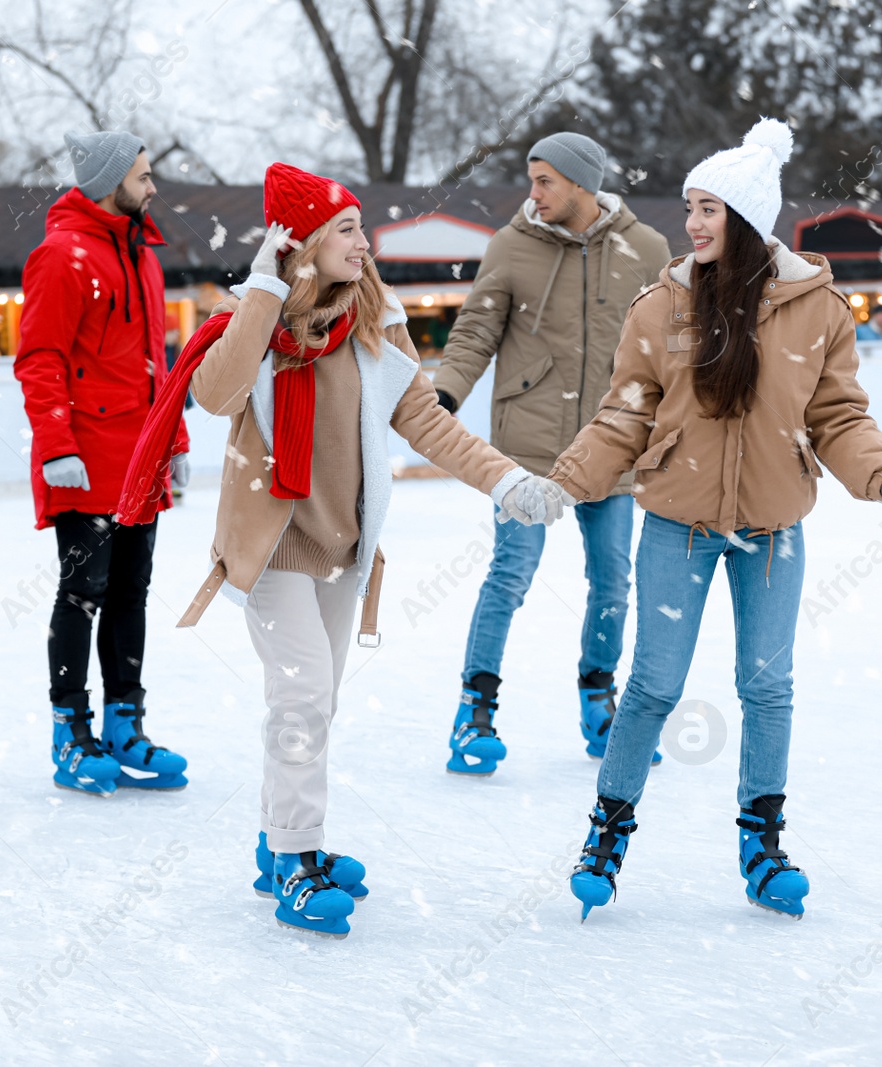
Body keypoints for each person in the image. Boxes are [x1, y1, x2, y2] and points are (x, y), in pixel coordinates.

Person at [118, 162, 565, 939]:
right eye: (348, 230)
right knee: (300, 698)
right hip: (272, 547)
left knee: (314, 701)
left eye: (361, 228)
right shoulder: (253, 322)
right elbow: (216, 395)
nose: (365, 243)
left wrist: (506, 483)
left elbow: (428, 423)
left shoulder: (374, 322)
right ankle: (297, 857)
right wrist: (263, 284)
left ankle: (277, 843)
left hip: (340, 547)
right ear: (308, 242)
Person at [546, 118, 882, 921]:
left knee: (767, 685)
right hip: (676, 522)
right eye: (690, 206)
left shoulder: (816, 309)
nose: (692, 223)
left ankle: (763, 843)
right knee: (651, 685)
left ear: (749, 219)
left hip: (770, 527)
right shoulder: (664, 304)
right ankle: (606, 832)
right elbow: (625, 413)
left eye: (709, 208)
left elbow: (837, 415)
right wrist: (568, 481)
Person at [428, 132, 671, 775]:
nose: (533, 193)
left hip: (612, 446)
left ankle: (600, 700)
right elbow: (477, 329)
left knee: (613, 581)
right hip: (527, 447)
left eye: (545, 181)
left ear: (582, 185)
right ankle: (474, 711)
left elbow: (671, 348)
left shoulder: (645, 251)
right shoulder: (511, 247)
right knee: (511, 575)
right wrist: (446, 393)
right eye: (531, 180)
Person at [14, 129, 192, 798]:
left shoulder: (143, 256)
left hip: (140, 457)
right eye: (143, 177)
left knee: (130, 593)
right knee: (83, 593)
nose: (152, 188)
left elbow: (157, 367)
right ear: (109, 181)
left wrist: (173, 445)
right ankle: (71, 732)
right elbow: (40, 359)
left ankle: (125, 725)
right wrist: (57, 443)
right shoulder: (61, 256)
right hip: (85, 460)